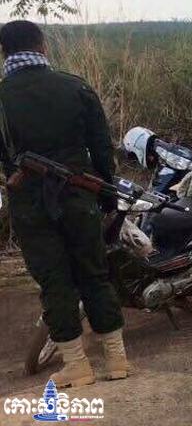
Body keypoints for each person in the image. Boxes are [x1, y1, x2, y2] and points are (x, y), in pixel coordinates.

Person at [0, 20, 128, 387]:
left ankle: (76, 365)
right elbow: (102, 150)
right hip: (80, 195)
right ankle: (117, 360)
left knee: (54, 282)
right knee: (95, 274)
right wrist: (107, 196)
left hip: (30, 205)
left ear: (4, 52)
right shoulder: (76, 87)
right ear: (42, 46)